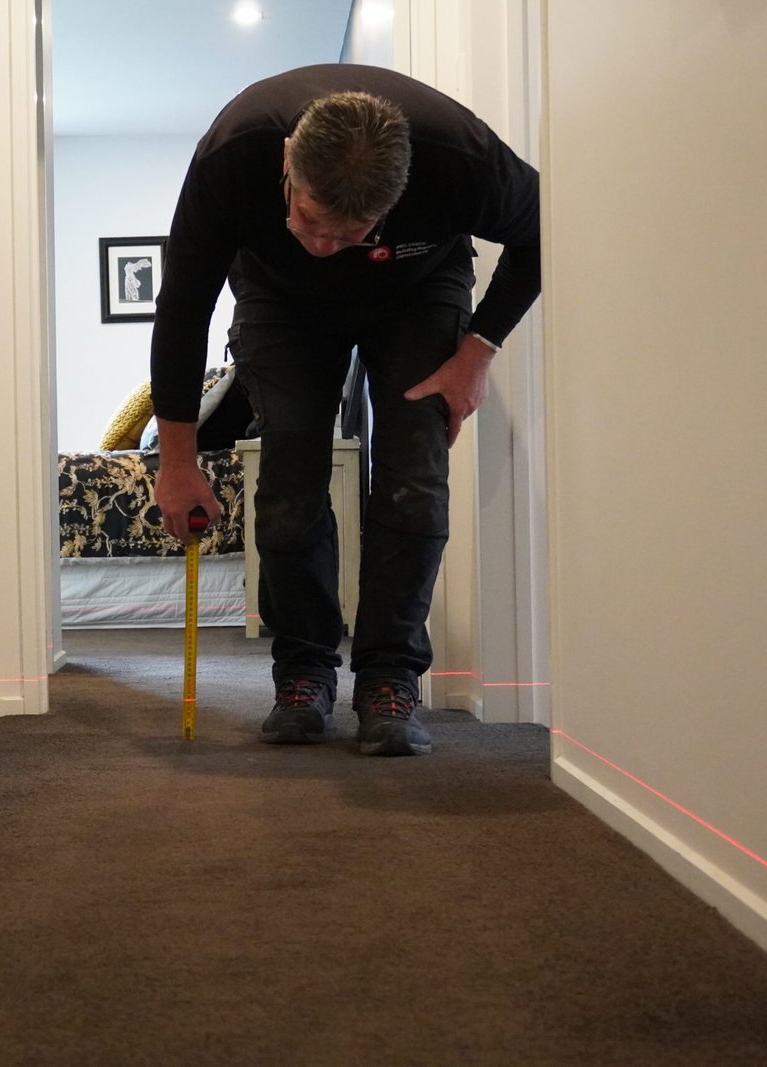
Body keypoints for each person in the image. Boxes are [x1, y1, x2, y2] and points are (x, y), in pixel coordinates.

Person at [150, 64, 540, 757]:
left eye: (350, 232)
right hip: (279, 298)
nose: (326, 246)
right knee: (292, 479)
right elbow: (182, 308)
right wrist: (177, 462)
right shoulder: (235, 152)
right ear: (286, 166)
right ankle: (303, 671)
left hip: (416, 291)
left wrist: (477, 350)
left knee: (413, 480)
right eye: (308, 220)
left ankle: (389, 677)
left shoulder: (461, 160)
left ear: (396, 198)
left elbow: (545, 228)